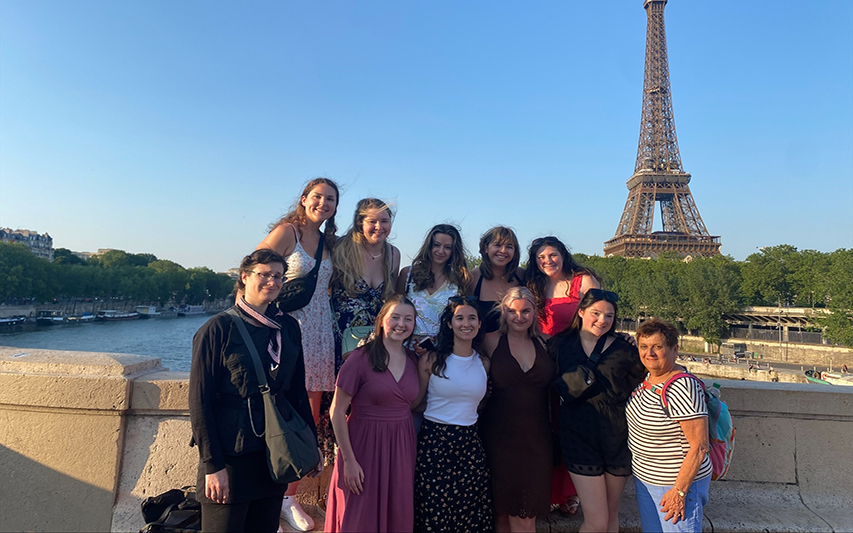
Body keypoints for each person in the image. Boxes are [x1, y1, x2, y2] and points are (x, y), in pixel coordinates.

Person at [189, 249, 320, 533]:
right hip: (231, 456)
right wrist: (212, 466)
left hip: (273, 455)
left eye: (278, 276)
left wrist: (312, 444)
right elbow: (200, 402)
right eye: (264, 275)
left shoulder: (287, 328)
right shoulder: (217, 329)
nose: (272, 282)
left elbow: (297, 391)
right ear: (245, 277)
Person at [256, 178, 338, 531]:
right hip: (286, 331)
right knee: (277, 414)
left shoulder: (327, 242)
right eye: (317, 196)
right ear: (304, 199)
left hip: (319, 334)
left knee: (307, 416)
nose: (323, 203)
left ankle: (289, 497)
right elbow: (255, 270)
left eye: (330, 199)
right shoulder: (287, 232)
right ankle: (267, 497)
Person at [550, 289, 645, 532]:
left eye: (609, 316)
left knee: (612, 516)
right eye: (596, 313)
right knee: (597, 521)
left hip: (617, 437)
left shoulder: (625, 349)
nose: (602, 320)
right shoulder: (559, 345)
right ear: (581, 312)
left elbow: (647, 381)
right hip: (578, 437)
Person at [325, 295, 420, 532]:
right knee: (359, 515)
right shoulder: (359, 358)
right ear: (381, 321)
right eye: (395, 317)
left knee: (396, 511)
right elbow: (336, 412)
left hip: (401, 445)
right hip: (364, 445)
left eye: (408, 319)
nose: (401, 324)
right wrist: (349, 461)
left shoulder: (414, 360)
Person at [524, 235, 600, 516]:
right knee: (545, 428)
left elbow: (600, 318)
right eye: (541, 258)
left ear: (563, 254)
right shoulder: (533, 284)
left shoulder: (584, 281)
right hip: (542, 364)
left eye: (552, 255)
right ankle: (553, 490)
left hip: (572, 365)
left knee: (569, 427)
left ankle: (571, 491)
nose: (547, 261)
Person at [413, 296, 492, 532]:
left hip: (470, 445)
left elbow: (477, 405)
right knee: (434, 514)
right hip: (434, 445)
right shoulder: (431, 360)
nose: (465, 323)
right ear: (449, 324)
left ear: (479, 324)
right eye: (459, 318)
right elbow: (416, 403)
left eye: (471, 318)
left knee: (468, 515)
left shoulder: (484, 363)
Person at [627, 319, 712, 532]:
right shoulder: (649, 379)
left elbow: (700, 446)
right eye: (644, 347)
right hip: (647, 481)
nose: (650, 353)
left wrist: (679, 492)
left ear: (674, 349)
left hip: (676, 485)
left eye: (658, 347)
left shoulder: (682, 386)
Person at [480, 287, 553, 532]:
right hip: (498, 437)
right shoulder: (489, 340)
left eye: (525, 311)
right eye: (512, 311)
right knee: (500, 514)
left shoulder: (546, 343)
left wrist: (624, 339)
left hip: (537, 439)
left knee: (526, 516)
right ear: (503, 312)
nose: (519, 317)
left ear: (535, 312)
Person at [332, 198, 401, 364]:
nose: (379, 227)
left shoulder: (393, 254)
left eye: (384, 221)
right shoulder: (341, 248)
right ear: (359, 223)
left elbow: (392, 297)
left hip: (376, 338)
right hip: (341, 336)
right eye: (372, 221)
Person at [397, 224, 470, 353]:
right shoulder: (408, 274)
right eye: (436, 245)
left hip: (442, 352)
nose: (441, 251)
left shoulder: (460, 281)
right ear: (429, 246)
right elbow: (396, 312)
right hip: (405, 348)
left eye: (447, 247)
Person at [468, 226, 525, 334]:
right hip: (481, 347)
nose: (503, 251)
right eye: (497, 245)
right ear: (485, 248)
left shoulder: (523, 276)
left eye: (509, 246)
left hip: (517, 347)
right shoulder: (472, 278)